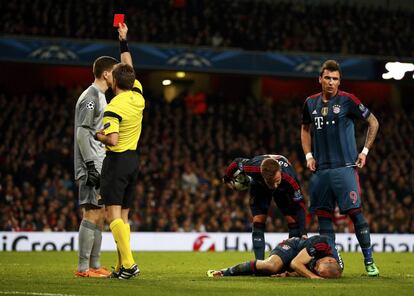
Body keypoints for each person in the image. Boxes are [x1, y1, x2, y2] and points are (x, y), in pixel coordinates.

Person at [301, 60, 380, 276]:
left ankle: (369, 261)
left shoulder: (348, 100)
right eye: (327, 78)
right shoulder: (310, 103)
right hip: (321, 171)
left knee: (356, 214)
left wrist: (364, 152)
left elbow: (373, 122)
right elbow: (305, 129)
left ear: (339, 81)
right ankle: (332, 261)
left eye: (335, 79)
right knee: (323, 218)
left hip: (345, 168)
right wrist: (308, 155)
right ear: (320, 79)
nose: (331, 82)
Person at [95, 23, 145, 280]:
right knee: (123, 217)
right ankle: (121, 267)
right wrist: (123, 41)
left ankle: (129, 263)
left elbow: (112, 140)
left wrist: (97, 134)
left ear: (114, 81)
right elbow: (129, 67)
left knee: (111, 214)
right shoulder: (138, 96)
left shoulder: (113, 107)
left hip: (116, 160)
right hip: (134, 160)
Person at [73, 42, 120, 277]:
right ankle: (83, 268)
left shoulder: (101, 97)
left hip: (100, 163)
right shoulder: (90, 97)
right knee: (91, 212)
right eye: (115, 73)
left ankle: (94, 265)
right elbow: (82, 131)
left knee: (100, 214)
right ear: (106, 73)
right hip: (91, 165)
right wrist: (90, 165)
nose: (117, 78)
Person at [223, 154, 307, 260]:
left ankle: (290, 262)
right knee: (258, 220)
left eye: (277, 180)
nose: (275, 185)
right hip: (260, 186)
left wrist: (304, 232)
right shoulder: (252, 167)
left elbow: (300, 206)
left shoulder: (290, 179)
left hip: (283, 189)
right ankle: (260, 263)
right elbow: (236, 162)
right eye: (272, 182)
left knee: (293, 221)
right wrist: (226, 177)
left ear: (279, 171)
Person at [207, 235, 343, 279]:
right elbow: (296, 263)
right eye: (317, 267)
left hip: (300, 260)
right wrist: (312, 276)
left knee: (266, 273)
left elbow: (300, 267)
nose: (316, 270)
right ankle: (226, 271)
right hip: (292, 247)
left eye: (317, 272)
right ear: (329, 259)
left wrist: (291, 274)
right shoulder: (321, 244)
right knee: (271, 266)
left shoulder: (336, 268)